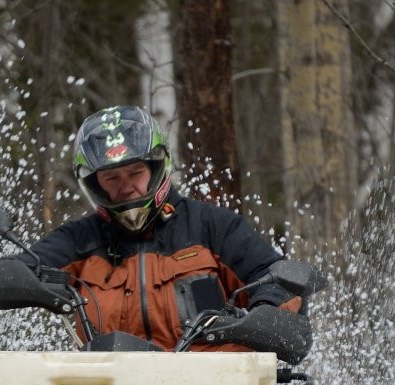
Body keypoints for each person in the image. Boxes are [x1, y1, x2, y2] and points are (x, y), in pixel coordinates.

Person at [19, 105, 299, 351]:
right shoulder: (78, 240)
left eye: (135, 173)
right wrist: (1, 278)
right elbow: (23, 269)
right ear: (94, 183)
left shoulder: (211, 226)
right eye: (111, 178)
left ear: (156, 167)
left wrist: (266, 315)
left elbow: (278, 279)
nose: (126, 186)